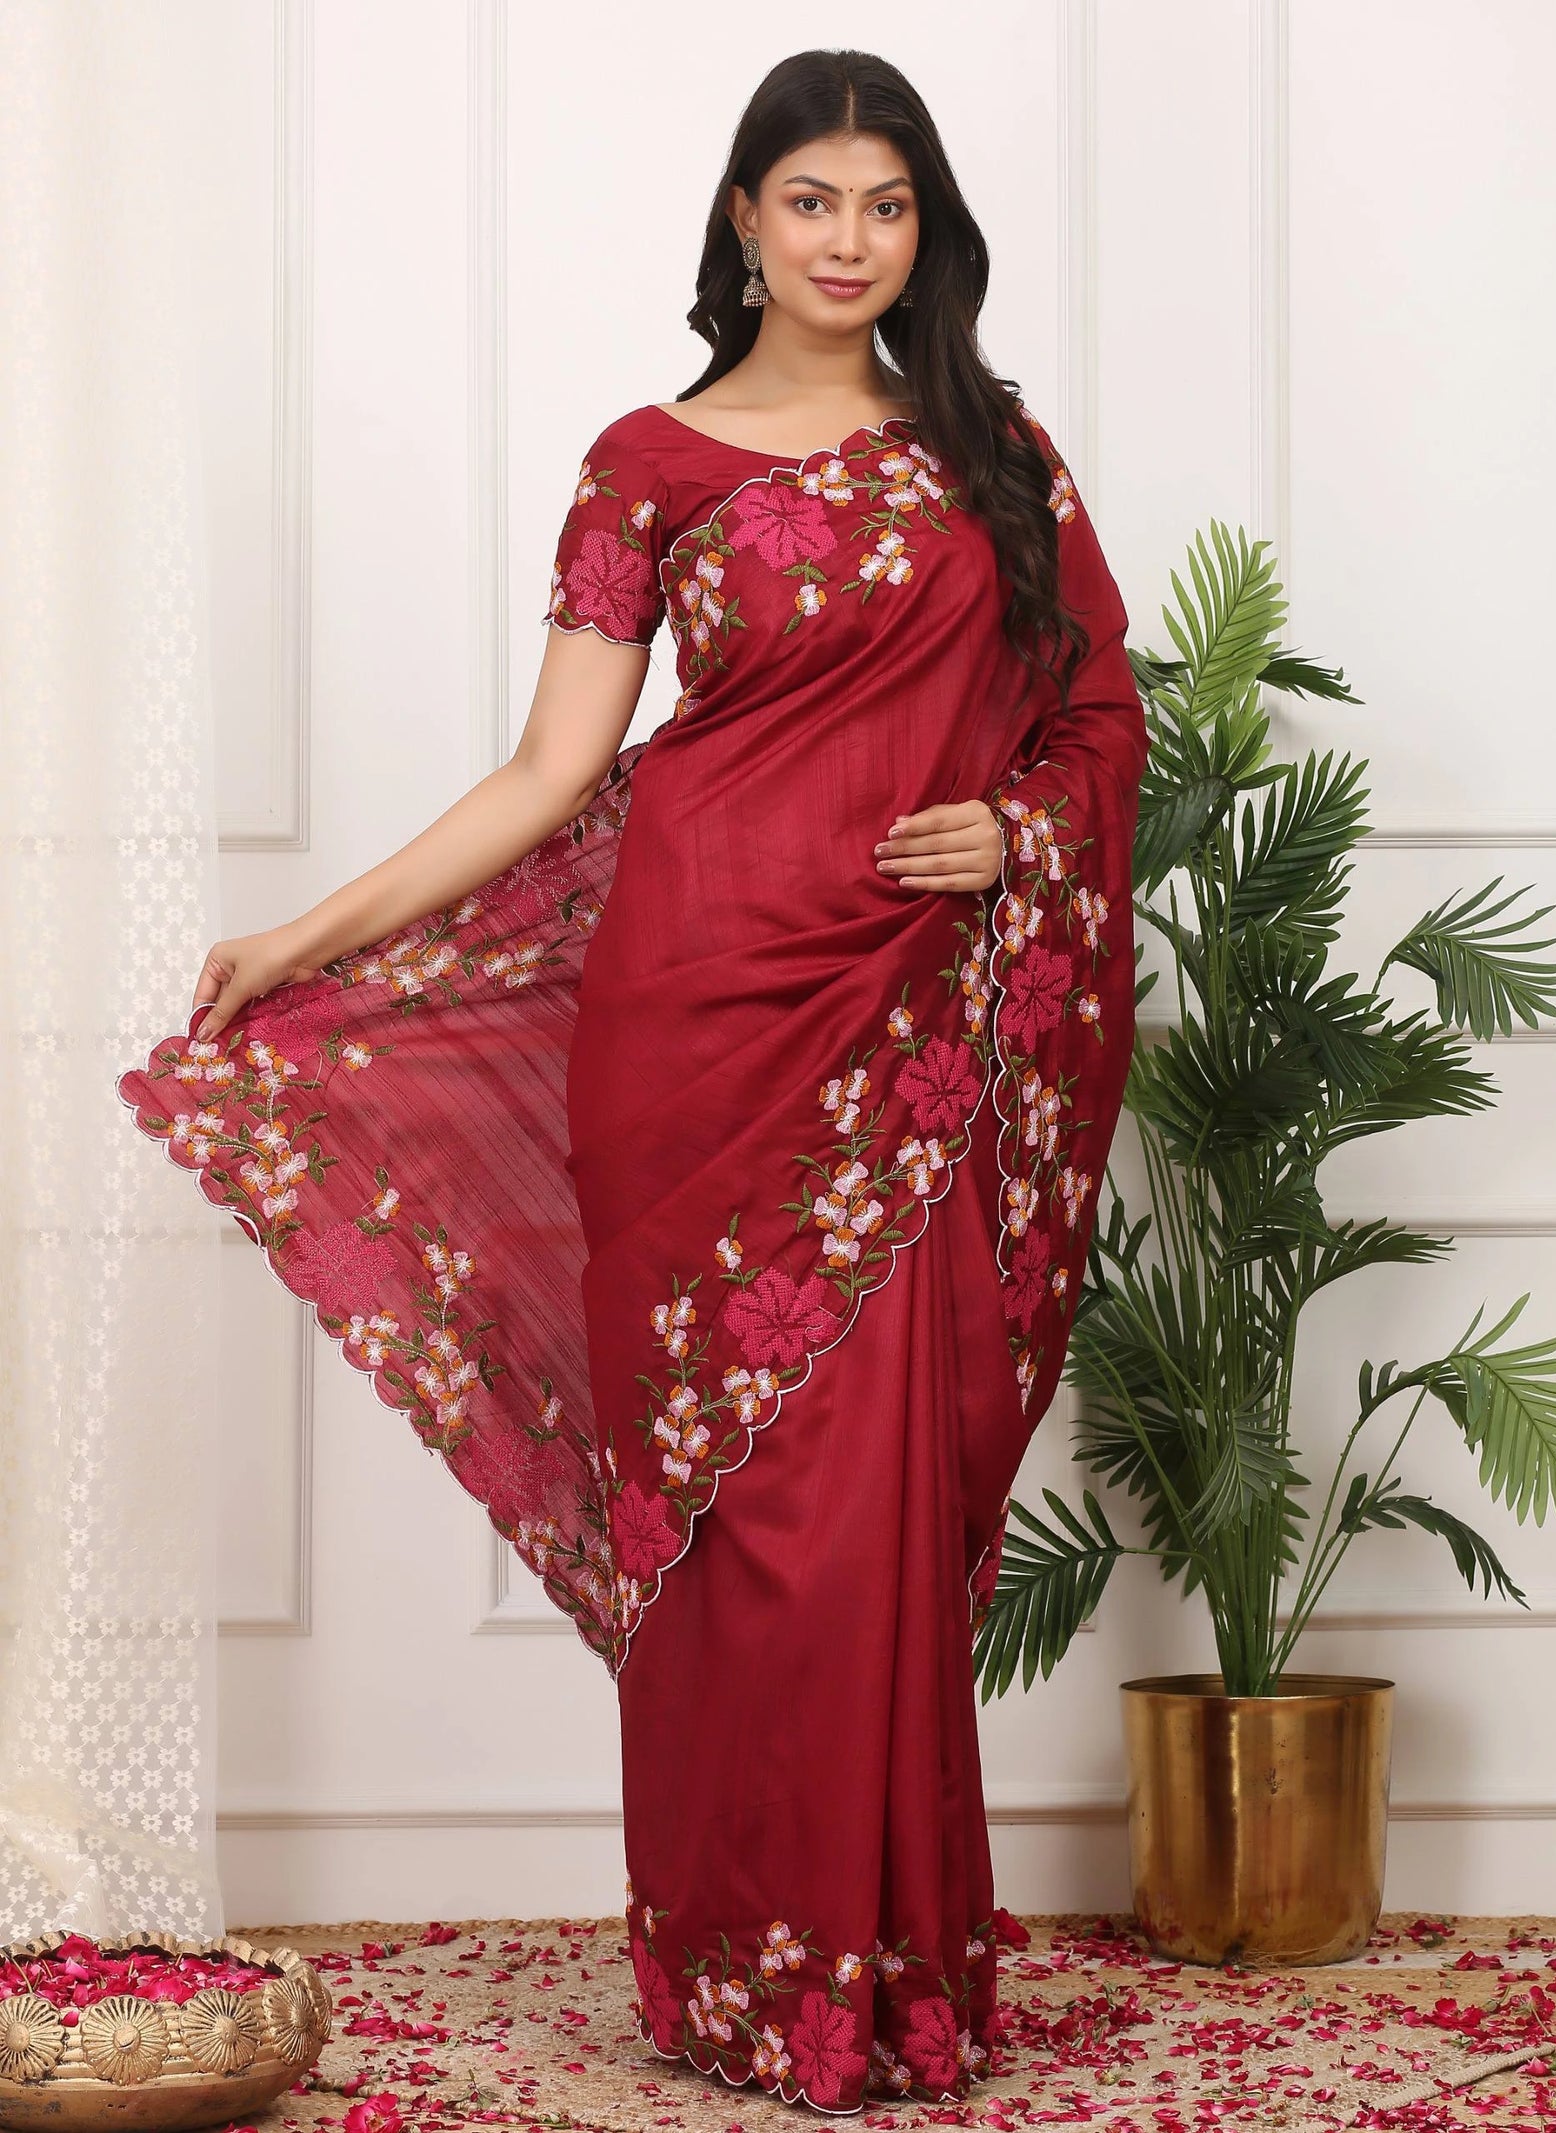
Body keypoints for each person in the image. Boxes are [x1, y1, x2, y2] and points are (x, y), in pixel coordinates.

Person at [116, 47, 1147, 2118]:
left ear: (923, 231)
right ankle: (741, 1972)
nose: (849, 242)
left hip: (903, 1031)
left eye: (885, 206)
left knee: (869, 1505)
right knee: (733, 1518)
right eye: (809, 201)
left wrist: (1017, 833)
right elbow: (551, 771)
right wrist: (305, 938)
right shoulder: (644, 464)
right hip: (686, 1017)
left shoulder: (993, 454)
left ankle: (881, 1979)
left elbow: (1098, 720)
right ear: (740, 221)